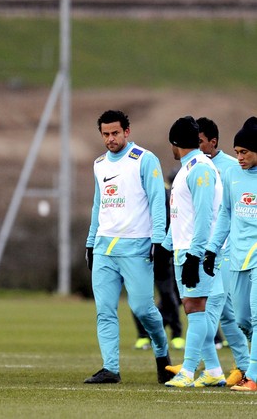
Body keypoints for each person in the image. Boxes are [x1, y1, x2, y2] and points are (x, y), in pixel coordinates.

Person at [84, 110, 172, 385]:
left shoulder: (144, 160)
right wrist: (90, 242)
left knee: (143, 308)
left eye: (115, 133)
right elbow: (98, 204)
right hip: (104, 248)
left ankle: (162, 354)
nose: (110, 139)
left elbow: (159, 200)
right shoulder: (99, 164)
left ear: (127, 132)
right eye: (105, 134)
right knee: (105, 310)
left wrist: (159, 241)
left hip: (137, 247)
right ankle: (110, 367)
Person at [162, 116, 226, 388]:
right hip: (184, 248)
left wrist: (194, 255)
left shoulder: (200, 168)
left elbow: (204, 216)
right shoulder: (188, 168)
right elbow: (180, 216)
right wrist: (165, 247)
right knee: (192, 308)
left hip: (196, 251)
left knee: (196, 307)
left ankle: (188, 371)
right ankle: (212, 370)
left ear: (175, 143)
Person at [205, 117, 257, 391]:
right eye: (236, 152)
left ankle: (254, 378)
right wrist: (212, 249)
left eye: (245, 152)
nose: (239, 157)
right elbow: (225, 213)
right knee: (242, 321)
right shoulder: (231, 175)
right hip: (236, 257)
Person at [132, 167, 185, 352]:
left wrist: (166, 246)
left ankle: (176, 334)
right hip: (139, 252)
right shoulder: (134, 191)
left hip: (161, 252)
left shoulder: (164, 193)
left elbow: (171, 221)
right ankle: (143, 336)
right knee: (139, 297)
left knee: (168, 294)